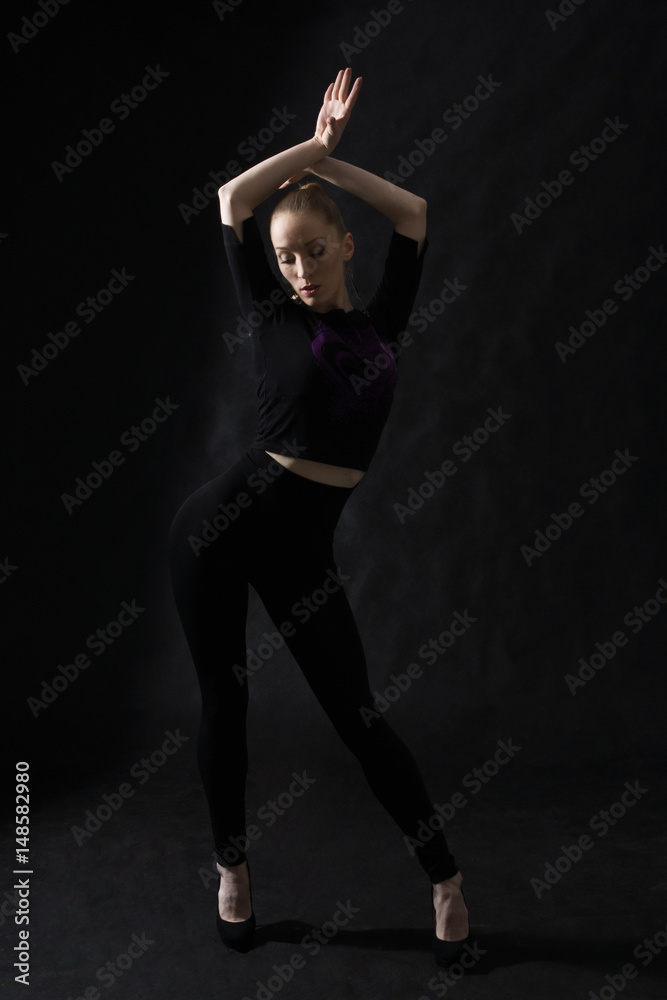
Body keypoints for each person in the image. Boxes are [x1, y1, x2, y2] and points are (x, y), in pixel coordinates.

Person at [167, 68, 470, 966]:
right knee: (227, 701)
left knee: (356, 715)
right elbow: (230, 199)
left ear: (343, 244)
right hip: (216, 529)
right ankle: (232, 870)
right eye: (284, 254)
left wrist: (332, 170)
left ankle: (447, 882)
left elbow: (413, 213)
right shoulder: (270, 314)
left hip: (305, 546)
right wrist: (312, 146)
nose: (296, 269)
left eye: (311, 250)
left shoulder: (381, 325)